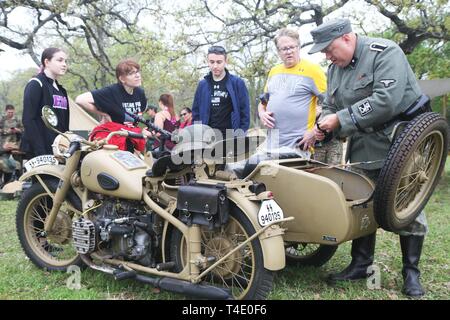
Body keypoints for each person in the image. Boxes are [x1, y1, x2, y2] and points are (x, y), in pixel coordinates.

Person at [310, 18, 428, 297]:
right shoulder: (335, 68)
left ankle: (411, 272)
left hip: (401, 142)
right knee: (362, 201)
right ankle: (361, 264)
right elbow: (331, 103)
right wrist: (320, 124)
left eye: (329, 49)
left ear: (347, 39)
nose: (327, 56)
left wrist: (338, 119)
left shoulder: (385, 53)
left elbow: (386, 99)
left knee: (407, 204)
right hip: (363, 145)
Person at [257, 28, 327, 154]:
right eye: (284, 49)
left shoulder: (313, 70)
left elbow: (331, 105)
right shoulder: (274, 71)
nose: (289, 52)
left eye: (292, 47)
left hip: (298, 146)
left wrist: (314, 131)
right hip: (272, 144)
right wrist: (262, 114)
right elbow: (263, 103)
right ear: (278, 52)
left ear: (299, 47)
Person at [192, 45, 250, 139]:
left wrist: (241, 135)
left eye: (219, 62)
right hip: (208, 138)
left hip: (231, 137)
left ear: (225, 61)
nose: (215, 66)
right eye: (212, 62)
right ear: (208, 62)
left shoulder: (237, 83)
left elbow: (245, 113)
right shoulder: (202, 85)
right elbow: (196, 113)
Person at [22, 47, 70, 158]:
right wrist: (41, 151)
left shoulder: (61, 90)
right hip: (39, 151)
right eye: (60, 60)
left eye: (65, 61)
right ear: (47, 62)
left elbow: (64, 124)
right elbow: (28, 120)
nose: (64, 64)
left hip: (58, 149)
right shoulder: (36, 84)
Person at [75, 58, 147, 124]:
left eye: (137, 72)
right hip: (114, 133)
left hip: (133, 133)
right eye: (131, 73)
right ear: (122, 79)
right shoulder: (111, 91)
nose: (137, 75)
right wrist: (104, 114)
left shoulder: (140, 93)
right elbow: (80, 100)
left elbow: (141, 112)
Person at [0, 104, 23, 183]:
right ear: (6, 111)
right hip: (4, 144)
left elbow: (23, 130)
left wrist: (17, 130)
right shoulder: (2, 119)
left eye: (12, 112)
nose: (10, 114)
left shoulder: (17, 120)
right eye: (9, 112)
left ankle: (19, 180)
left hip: (15, 144)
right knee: (3, 164)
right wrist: (6, 131)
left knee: (18, 164)